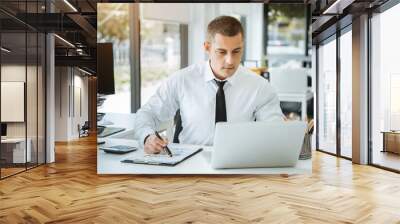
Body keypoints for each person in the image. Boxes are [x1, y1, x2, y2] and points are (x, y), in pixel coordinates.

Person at [135, 15, 283, 154]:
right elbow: (148, 114)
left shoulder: (260, 86)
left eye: (236, 51)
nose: (230, 60)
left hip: (239, 162)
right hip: (190, 162)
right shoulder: (182, 80)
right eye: (222, 52)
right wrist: (147, 137)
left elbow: (275, 131)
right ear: (207, 48)